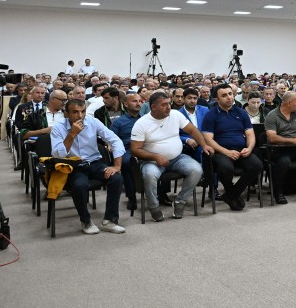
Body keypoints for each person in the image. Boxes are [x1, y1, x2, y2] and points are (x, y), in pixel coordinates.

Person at [50, 99, 126, 235]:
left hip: (95, 163)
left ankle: (110, 220)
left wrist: (116, 165)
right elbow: (57, 154)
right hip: (73, 165)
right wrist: (72, 134)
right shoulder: (58, 127)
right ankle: (86, 221)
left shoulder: (93, 122)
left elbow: (115, 140)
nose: (80, 116)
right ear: (66, 114)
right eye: (75, 112)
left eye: (83, 111)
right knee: (79, 185)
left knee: (117, 178)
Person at [131, 91, 210, 221]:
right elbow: (135, 150)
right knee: (149, 175)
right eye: (164, 105)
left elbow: (192, 130)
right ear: (153, 107)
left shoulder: (175, 114)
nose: (169, 107)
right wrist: (156, 157)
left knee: (197, 170)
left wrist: (204, 145)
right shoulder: (142, 123)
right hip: (152, 161)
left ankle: (180, 201)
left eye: (169, 104)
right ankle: (154, 206)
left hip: (177, 158)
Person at [202, 83, 264, 210]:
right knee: (226, 168)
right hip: (220, 151)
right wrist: (227, 152)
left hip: (241, 150)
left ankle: (230, 195)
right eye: (224, 95)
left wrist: (250, 148)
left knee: (257, 166)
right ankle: (232, 193)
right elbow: (208, 140)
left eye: (230, 94)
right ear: (217, 99)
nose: (229, 97)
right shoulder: (211, 115)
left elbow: (250, 134)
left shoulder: (241, 112)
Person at [110, 92, 144, 211]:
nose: (138, 103)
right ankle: (131, 196)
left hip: (145, 147)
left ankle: (161, 194)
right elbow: (111, 139)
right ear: (125, 104)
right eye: (134, 101)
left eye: (140, 101)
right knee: (127, 163)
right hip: (127, 150)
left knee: (164, 156)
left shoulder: (146, 119)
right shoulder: (118, 122)